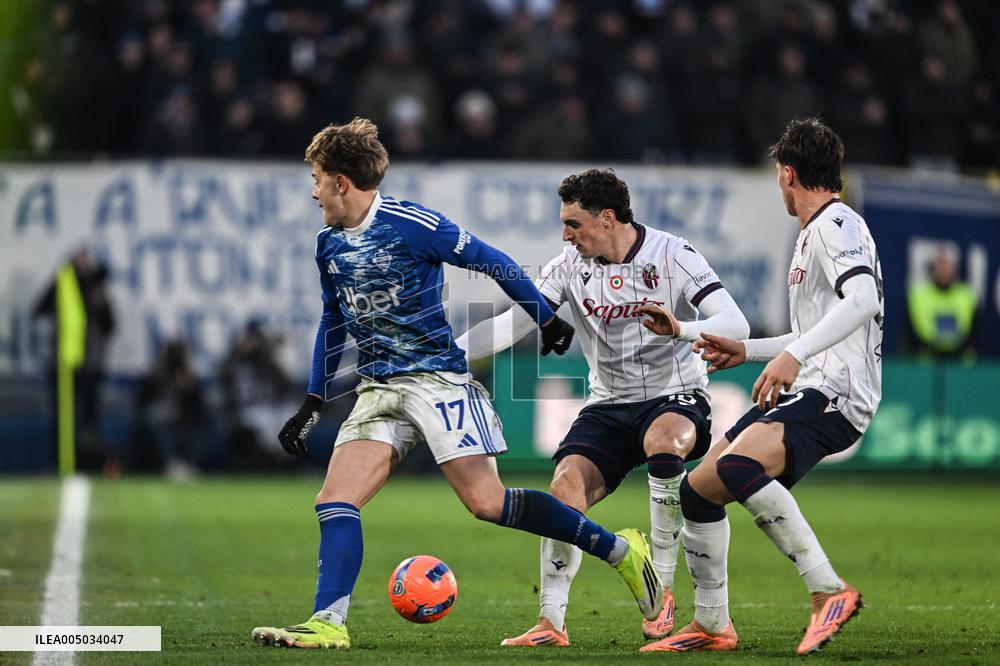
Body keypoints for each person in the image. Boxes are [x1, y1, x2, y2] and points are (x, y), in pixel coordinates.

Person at [251, 118, 662, 650]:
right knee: (335, 500)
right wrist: (313, 397)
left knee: (487, 504)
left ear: (341, 183)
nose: (313, 191)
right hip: (378, 389)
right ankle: (329, 622)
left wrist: (544, 317)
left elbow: (491, 260)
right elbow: (334, 319)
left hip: (436, 380)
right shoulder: (328, 244)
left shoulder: (411, 223)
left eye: (317, 178)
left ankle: (622, 553)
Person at [455, 168, 750, 646]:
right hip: (609, 404)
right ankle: (551, 622)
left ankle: (663, 587)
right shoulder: (569, 266)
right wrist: (448, 356)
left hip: (675, 393)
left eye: (573, 224)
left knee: (663, 440)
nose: (566, 235)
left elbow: (734, 322)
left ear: (607, 218)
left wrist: (682, 330)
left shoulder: (672, 254)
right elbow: (514, 324)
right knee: (564, 487)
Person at [640, 117, 883, 654]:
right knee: (698, 490)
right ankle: (711, 625)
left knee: (737, 466)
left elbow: (862, 302)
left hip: (836, 392)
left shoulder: (836, 224)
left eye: (779, 173)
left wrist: (794, 357)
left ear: (787, 173)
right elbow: (813, 326)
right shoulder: (814, 232)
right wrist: (749, 350)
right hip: (812, 386)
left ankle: (828, 591)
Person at [32, 247, 116, 474]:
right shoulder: (63, 284)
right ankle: (61, 463)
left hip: (90, 366)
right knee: (62, 419)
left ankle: (88, 464)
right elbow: (39, 309)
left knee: (88, 420)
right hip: (64, 364)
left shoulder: (97, 288)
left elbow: (110, 324)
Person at [903, 247, 979, 360]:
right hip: (925, 364)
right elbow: (909, 335)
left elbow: (975, 334)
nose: (944, 270)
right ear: (933, 268)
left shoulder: (967, 295)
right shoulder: (918, 295)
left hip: (961, 365)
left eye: (948, 266)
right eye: (941, 265)